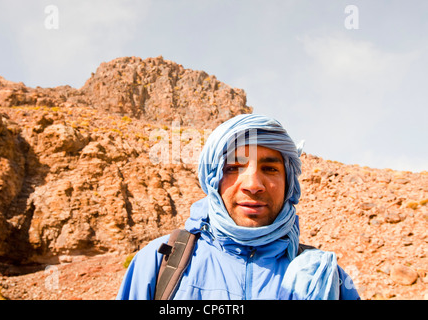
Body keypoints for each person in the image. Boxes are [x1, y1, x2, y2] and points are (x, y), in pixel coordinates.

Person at [117, 114, 360, 300]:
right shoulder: (160, 263)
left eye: (270, 169)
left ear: (289, 184)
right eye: (232, 169)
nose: (253, 185)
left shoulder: (324, 276)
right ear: (212, 180)